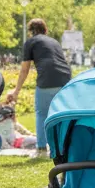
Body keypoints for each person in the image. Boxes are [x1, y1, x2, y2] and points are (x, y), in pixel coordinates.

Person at [6, 18, 72, 155]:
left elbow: (25, 69)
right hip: (65, 78)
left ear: (30, 32)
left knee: (42, 114)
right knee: (60, 114)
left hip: (47, 79)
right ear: (45, 30)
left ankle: (41, 148)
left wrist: (16, 91)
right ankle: (64, 146)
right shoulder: (54, 42)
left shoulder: (30, 42)